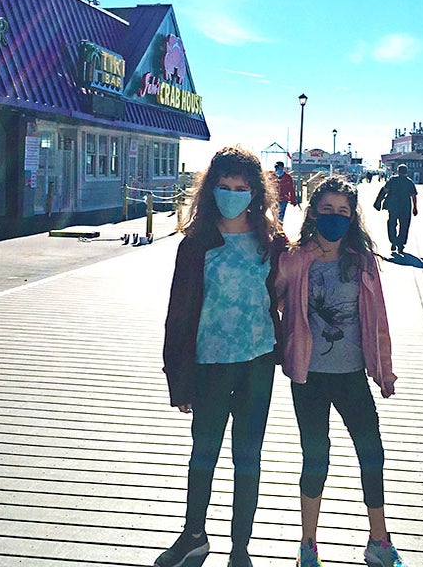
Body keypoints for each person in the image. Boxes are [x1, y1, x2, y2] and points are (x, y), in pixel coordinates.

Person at [157, 146, 287, 567]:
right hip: (209, 363)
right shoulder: (195, 244)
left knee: (248, 457)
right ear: (211, 189)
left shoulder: (272, 242)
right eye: (225, 187)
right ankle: (194, 536)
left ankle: (240, 549)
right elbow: (178, 314)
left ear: (255, 193)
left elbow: (290, 294)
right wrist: (177, 379)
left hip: (257, 363)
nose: (232, 195)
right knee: (204, 453)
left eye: (241, 188)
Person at [275, 176, 408, 567]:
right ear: (313, 213)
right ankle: (308, 544)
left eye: (343, 211)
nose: (334, 217)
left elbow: (378, 319)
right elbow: (273, 301)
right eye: (327, 210)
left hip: (352, 375)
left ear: (352, 218)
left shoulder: (362, 261)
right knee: (316, 456)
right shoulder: (294, 259)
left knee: (372, 452)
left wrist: (384, 371)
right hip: (309, 376)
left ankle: (378, 540)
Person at [382, 164, 418, 255]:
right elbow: (413, 195)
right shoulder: (409, 182)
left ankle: (393, 241)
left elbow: (385, 190)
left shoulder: (392, 180)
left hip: (393, 205)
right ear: (406, 172)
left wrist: (380, 200)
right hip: (405, 206)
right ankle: (400, 244)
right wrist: (415, 207)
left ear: (398, 171)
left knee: (392, 223)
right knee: (404, 226)